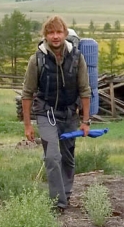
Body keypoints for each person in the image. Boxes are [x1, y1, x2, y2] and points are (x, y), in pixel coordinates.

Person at [21, 15, 91, 211]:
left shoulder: (77, 57)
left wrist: (86, 121)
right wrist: (28, 125)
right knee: (52, 157)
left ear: (65, 34)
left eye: (59, 32)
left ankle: (66, 195)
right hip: (46, 114)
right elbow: (27, 93)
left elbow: (85, 90)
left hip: (69, 114)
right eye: (51, 32)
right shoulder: (37, 59)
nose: (55, 36)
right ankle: (58, 203)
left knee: (67, 157)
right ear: (45, 35)